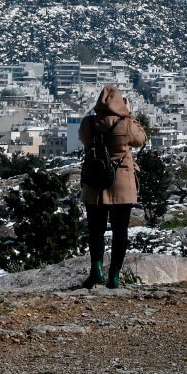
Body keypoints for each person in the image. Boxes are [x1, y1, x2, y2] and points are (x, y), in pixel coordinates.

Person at [78, 84, 147, 288]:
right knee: (120, 230)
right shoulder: (125, 123)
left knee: (96, 230)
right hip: (121, 181)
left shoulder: (88, 123)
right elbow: (141, 139)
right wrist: (130, 114)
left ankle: (96, 270)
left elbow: (83, 140)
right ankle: (114, 275)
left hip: (95, 180)